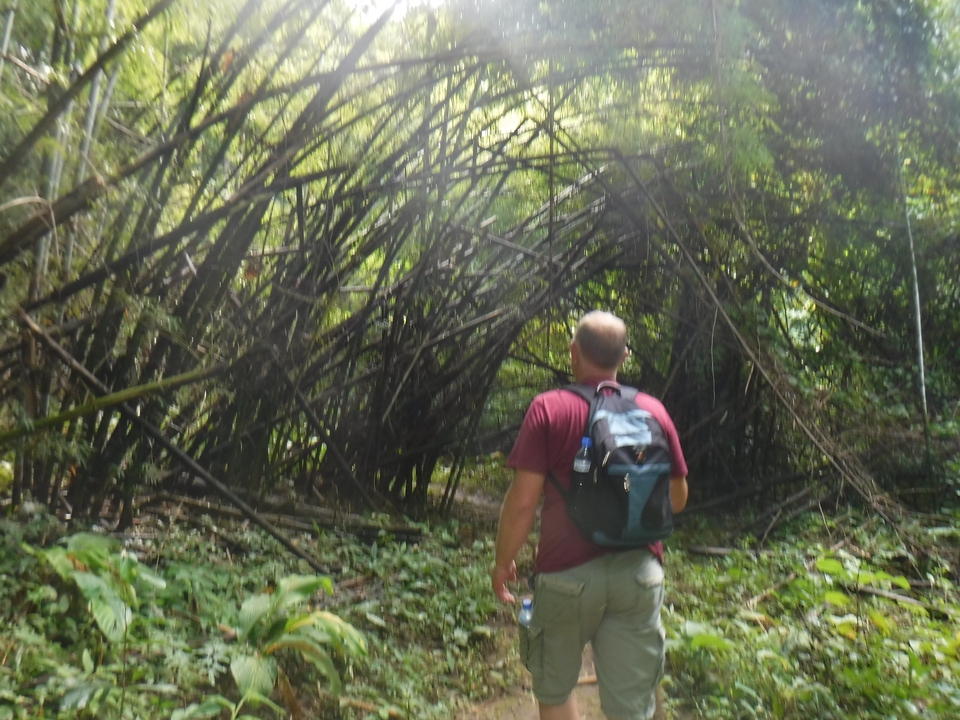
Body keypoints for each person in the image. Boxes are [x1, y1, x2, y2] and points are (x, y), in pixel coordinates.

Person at [491, 310, 689, 720]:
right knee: (632, 704)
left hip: (566, 576)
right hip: (639, 574)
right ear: (625, 356)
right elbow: (679, 497)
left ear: (573, 353)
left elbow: (523, 501)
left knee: (556, 687)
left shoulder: (549, 408)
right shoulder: (654, 410)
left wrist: (503, 561)